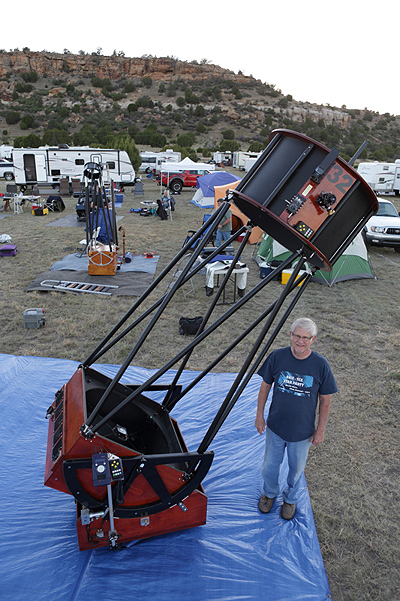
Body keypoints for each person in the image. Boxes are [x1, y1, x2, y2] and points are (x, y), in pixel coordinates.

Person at [255, 317, 337, 520]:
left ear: (313, 339)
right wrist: (259, 416)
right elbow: (265, 387)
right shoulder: (277, 357)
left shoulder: (320, 365)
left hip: (302, 433)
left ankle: (290, 499)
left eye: (306, 338)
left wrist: (321, 430)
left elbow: (325, 401)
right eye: (297, 336)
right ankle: (270, 493)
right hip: (276, 427)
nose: (300, 341)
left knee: (296, 470)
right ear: (291, 335)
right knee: (269, 467)